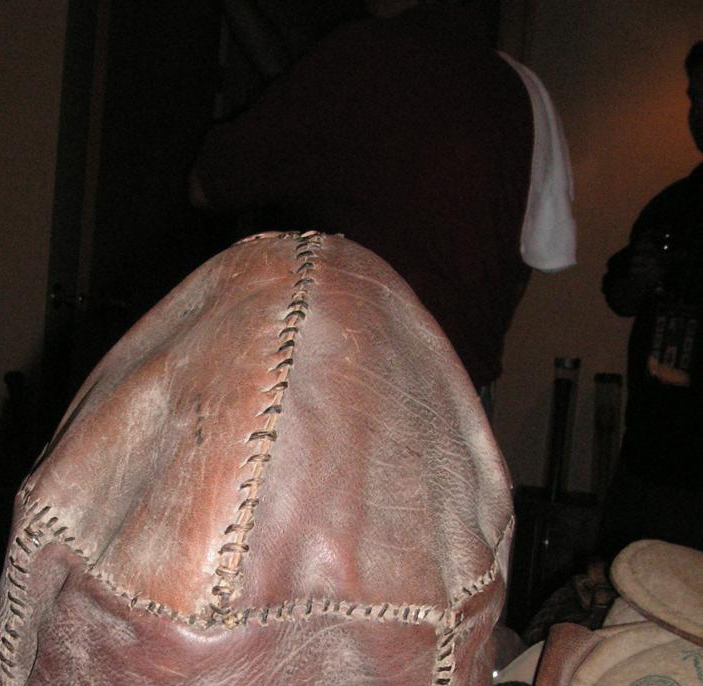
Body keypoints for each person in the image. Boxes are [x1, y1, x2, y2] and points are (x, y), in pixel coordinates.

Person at [189, 0, 575, 395]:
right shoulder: (526, 92)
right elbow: (542, 255)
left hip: (342, 386)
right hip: (459, 395)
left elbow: (209, 184)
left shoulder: (358, 55)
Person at [598, 41, 703, 556]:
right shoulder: (674, 204)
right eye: (695, 97)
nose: (699, 113)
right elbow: (618, 295)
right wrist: (639, 281)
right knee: (625, 578)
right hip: (651, 453)